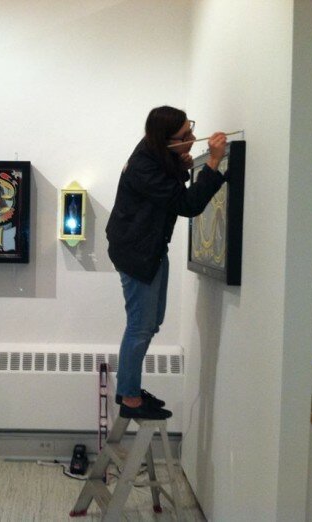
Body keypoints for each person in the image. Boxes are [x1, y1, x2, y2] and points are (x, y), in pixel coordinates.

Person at [106, 106, 228, 419]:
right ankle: (129, 397)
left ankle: (128, 387)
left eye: (190, 129)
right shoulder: (143, 165)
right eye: (184, 135)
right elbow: (186, 204)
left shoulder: (154, 151)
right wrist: (213, 162)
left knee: (151, 322)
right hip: (137, 252)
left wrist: (180, 163)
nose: (192, 137)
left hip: (149, 247)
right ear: (165, 139)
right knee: (141, 326)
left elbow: (168, 186)